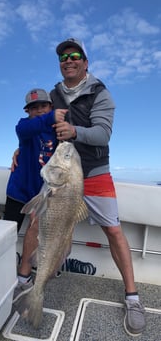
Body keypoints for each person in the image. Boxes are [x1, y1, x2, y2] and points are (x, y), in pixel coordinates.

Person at [50, 38, 146, 337]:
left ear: (85, 62)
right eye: (64, 56)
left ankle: (132, 298)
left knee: (114, 230)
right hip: (63, 173)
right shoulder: (53, 94)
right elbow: (42, 129)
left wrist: (75, 131)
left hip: (94, 173)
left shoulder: (100, 93)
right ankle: (29, 278)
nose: (69, 60)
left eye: (75, 55)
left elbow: (103, 135)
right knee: (45, 222)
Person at [4, 88, 66, 302]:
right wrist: (52, 115)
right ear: (28, 111)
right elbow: (27, 128)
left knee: (36, 231)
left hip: (42, 194)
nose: (39, 111)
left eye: (44, 106)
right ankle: (2, 271)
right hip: (18, 192)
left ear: (50, 105)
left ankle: (23, 275)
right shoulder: (24, 126)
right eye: (34, 108)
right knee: (7, 234)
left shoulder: (57, 133)